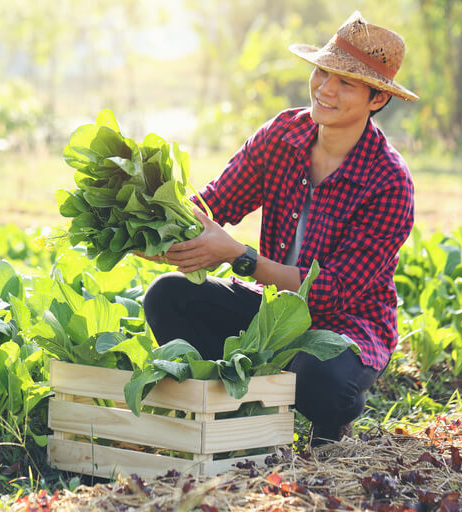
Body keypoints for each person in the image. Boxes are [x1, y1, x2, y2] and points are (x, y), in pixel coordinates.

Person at [142, 11, 418, 447]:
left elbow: (328, 293)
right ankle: (233, 408)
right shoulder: (281, 136)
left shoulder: (389, 181)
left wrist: (238, 256)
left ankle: (325, 421)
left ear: (377, 99)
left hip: (345, 326)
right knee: (166, 295)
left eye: (345, 82)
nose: (325, 88)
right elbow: (216, 201)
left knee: (322, 382)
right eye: (322, 71)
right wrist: (154, 228)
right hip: (271, 309)